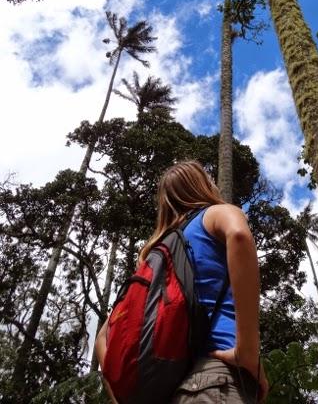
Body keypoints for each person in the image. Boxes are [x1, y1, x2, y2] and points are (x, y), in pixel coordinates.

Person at [96, 160, 269, 403]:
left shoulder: (152, 255)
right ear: (201, 185)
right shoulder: (214, 214)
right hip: (214, 374)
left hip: (167, 391)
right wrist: (248, 351)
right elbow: (239, 235)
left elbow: (103, 338)